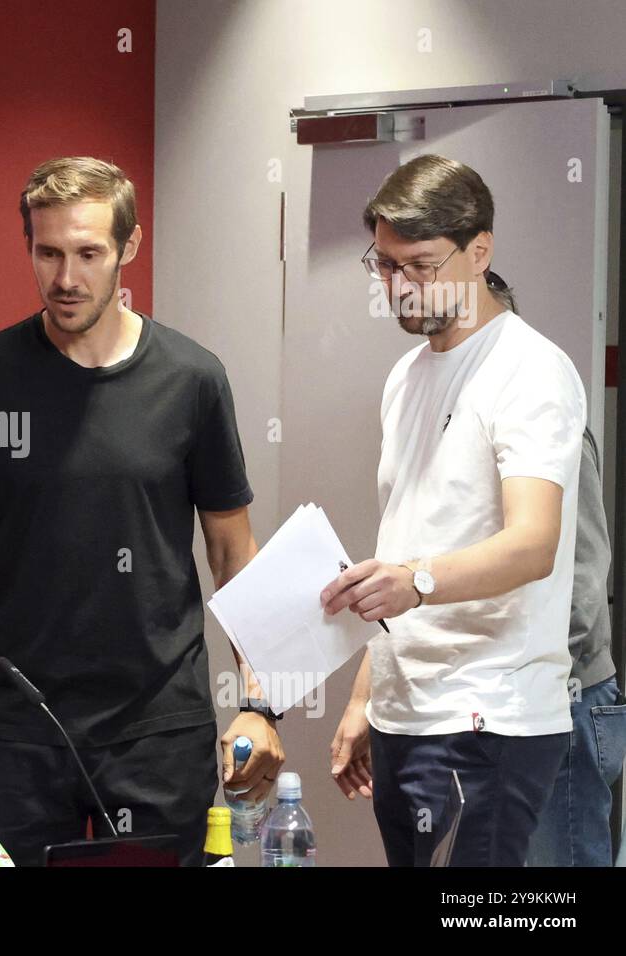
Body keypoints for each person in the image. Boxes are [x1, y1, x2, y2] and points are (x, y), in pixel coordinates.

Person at [0, 155, 282, 866]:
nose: (65, 278)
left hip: (158, 726)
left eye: (87, 254)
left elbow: (233, 552)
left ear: (128, 250)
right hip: (14, 727)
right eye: (47, 253)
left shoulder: (192, 379)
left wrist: (260, 701)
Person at [323, 154, 584, 866]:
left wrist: (418, 581)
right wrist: (363, 700)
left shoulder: (530, 370)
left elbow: (533, 545)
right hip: (405, 708)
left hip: (491, 717)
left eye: (421, 265)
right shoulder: (407, 376)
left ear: (480, 251)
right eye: (384, 265)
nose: (399, 287)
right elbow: (406, 538)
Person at [526, 426, 626, 866]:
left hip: (568, 696)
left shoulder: (550, 419)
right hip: (519, 702)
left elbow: (583, 582)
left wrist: (523, 678)